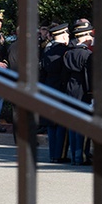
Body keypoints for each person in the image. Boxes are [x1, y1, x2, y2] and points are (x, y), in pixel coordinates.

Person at [61, 19, 94, 166]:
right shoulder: (87, 55)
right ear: (86, 36)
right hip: (83, 93)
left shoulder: (68, 53)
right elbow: (88, 77)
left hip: (70, 90)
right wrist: (92, 94)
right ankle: (82, 156)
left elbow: (65, 75)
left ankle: (75, 155)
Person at [41, 23, 70, 162]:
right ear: (64, 35)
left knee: (51, 123)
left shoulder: (47, 50)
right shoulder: (65, 51)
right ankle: (60, 154)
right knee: (61, 124)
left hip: (48, 88)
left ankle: (53, 154)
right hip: (61, 90)